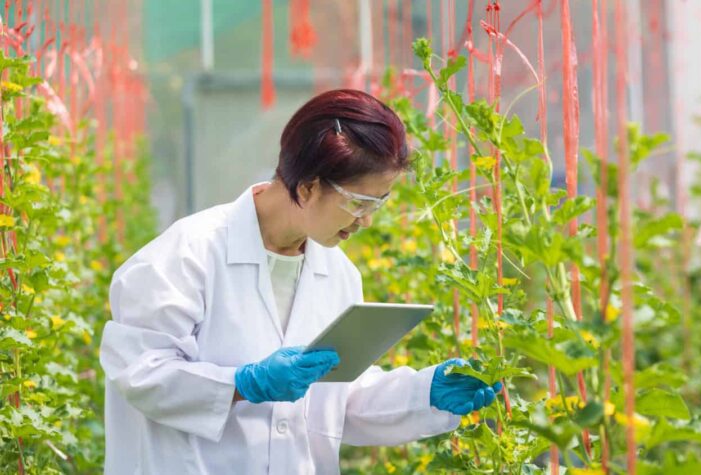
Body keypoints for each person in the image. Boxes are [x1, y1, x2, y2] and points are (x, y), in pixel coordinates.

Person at [99, 89, 502, 474]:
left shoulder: (339, 274)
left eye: (379, 204)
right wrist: (242, 384)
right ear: (308, 186)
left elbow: (337, 398)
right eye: (359, 203)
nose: (366, 221)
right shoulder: (186, 256)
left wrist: (425, 393)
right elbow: (140, 373)